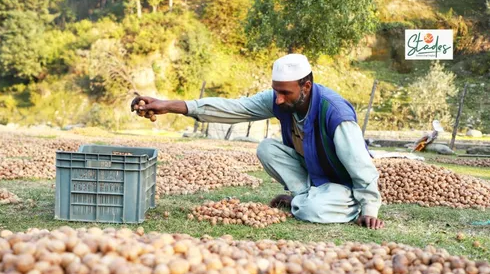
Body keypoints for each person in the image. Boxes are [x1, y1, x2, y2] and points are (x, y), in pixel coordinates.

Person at [131, 54, 384, 229]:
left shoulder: (335, 113)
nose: (279, 99)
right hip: (314, 177)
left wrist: (369, 209)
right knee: (267, 148)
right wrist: (169, 106)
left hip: (341, 183)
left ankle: (323, 203)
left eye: (285, 92)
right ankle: (303, 196)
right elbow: (233, 108)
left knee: (313, 211)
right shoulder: (280, 98)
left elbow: (361, 167)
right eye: (276, 90)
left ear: (306, 87)